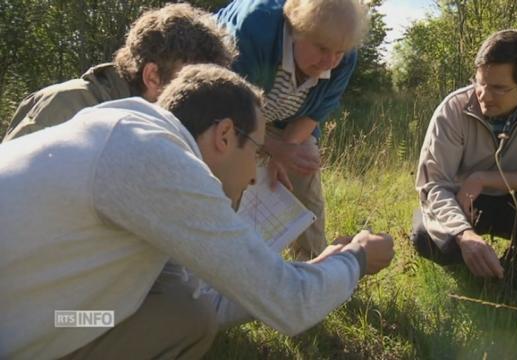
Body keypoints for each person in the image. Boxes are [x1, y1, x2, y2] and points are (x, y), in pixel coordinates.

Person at [0, 64, 394, 359]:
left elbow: (207, 300)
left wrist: (315, 268)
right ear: (224, 135)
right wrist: (357, 259)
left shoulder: (127, 133)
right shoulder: (155, 159)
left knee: (186, 315)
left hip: (45, 318)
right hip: (17, 332)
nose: (256, 177)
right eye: (258, 152)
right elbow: (291, 305)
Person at [410, 30, 517, 288]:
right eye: (479, 82)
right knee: (424, 236)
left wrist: (485, 179)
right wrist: (464, 234)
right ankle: (472, 274)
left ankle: (511, 278)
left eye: (498, 88)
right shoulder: (453, 109)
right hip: (465, 203)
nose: (483, 95)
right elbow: (433, 186)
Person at [215, 0, 369, 259]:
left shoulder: (345, 56)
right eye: (322, 48)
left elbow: (314, 114)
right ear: (297, 29)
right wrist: (276, 149)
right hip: (224, 112)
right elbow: (229, 110)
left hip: (282, 119)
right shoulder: (255, 28)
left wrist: (286, 152)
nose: (330, 61)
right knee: (232, 179)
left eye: (339, 52)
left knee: (304, 163)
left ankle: (313, 270)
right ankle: (223, 264)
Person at [2, 3, 236, 142]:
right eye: (192, 82)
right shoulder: (66, 106)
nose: (201, 99)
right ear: (152, 76)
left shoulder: (160, 127)